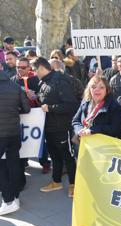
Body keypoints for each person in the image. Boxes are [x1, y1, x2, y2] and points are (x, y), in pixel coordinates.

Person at [33, 57, 79, 198]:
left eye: (35, 70)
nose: (34, 73)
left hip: (62, 127)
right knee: (54, 156)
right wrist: (35, 97)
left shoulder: (61, 81)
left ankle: (73, 185)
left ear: (41, 67)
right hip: (49, 127)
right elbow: (45, 100)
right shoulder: (43, 82)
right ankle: (56, 181)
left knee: (68, 157)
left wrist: (50, 108)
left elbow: (71, 105)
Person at [0, 70, 30, 215]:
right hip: (14, 132)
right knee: (14, 162)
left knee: (8, 164)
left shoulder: (15, 86)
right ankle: (15, 196)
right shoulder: (15, 86)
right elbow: (26, 108)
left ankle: (8, 200)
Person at [72, 75, 121, 142]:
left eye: (101, 87)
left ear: (107, 90)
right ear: (89, 89)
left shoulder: (115, 107)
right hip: (83, 144)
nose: (97, 90)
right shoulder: (85, 102)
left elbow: (116, 129)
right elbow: (75, 121)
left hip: (103, 148)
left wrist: (93, 130)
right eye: (93, 87)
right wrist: (79, 130)